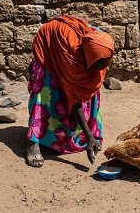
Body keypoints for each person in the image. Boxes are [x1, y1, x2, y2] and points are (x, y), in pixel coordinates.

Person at [25, 15, 115, 167]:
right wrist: (89, 137)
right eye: (95, 65)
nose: (98, 70)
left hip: (74, 49)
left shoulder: (100, 45)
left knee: (89, 83)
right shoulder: (71, 59)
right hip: (48, 46)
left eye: (103, 65)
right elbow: (74, 98)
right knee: (46, 90)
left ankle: (77, 135)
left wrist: (90, 136)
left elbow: (89, 82)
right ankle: (33, 143)